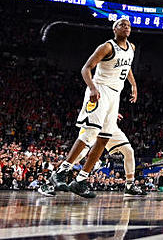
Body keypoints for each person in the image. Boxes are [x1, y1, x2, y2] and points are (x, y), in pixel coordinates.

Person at [46, 17, 141, 198]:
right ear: (115, 29)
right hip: (100, 90)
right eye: (122, 24)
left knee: (104, 139)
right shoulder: (106, 47)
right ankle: (60, 172)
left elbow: (127, 67)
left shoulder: (132, 48)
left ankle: (81, 180)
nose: (126, 27)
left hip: (115, 95)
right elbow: (86, 68)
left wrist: (134, 86)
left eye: (128, 25)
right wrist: (92, 88)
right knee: (89, 134)